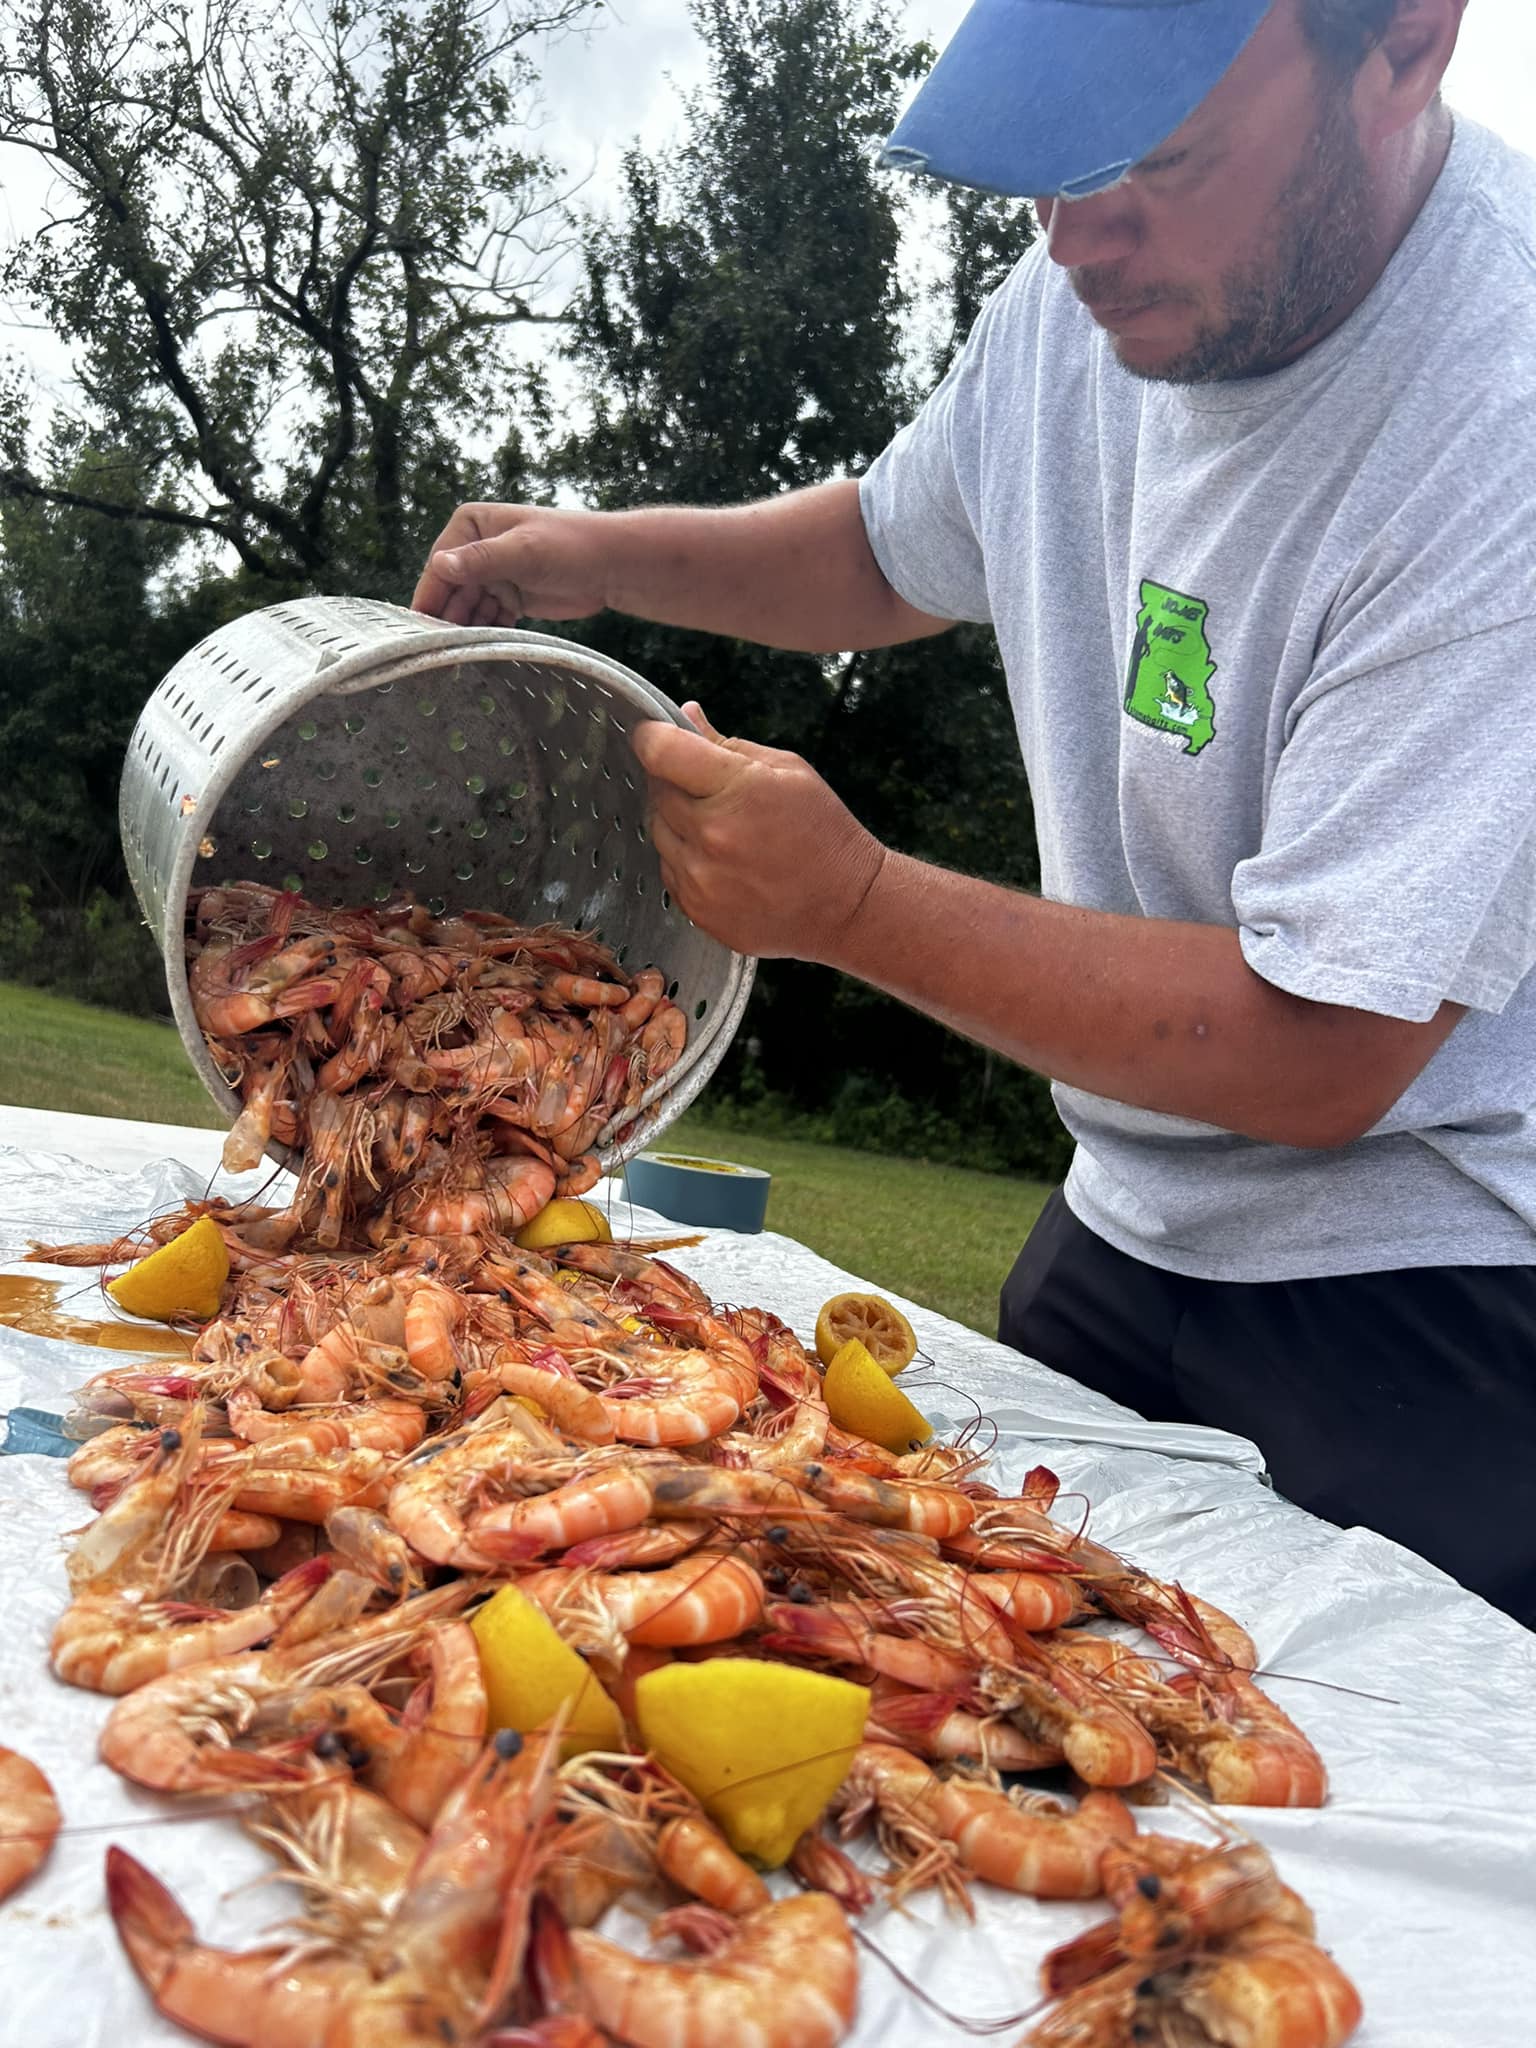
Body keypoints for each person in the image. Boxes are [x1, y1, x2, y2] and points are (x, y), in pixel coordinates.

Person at [413, 0, 1536, 1628]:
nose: (1079, 241)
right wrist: (598, 556)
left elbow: (1327, 1049)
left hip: (1423, 1314)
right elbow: (889, 547)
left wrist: (852, 905)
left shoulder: (1495, 410)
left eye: (1155, 155)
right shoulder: (1098, 283)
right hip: (1116, 1227)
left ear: (1406, 44)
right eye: (1046, 171)